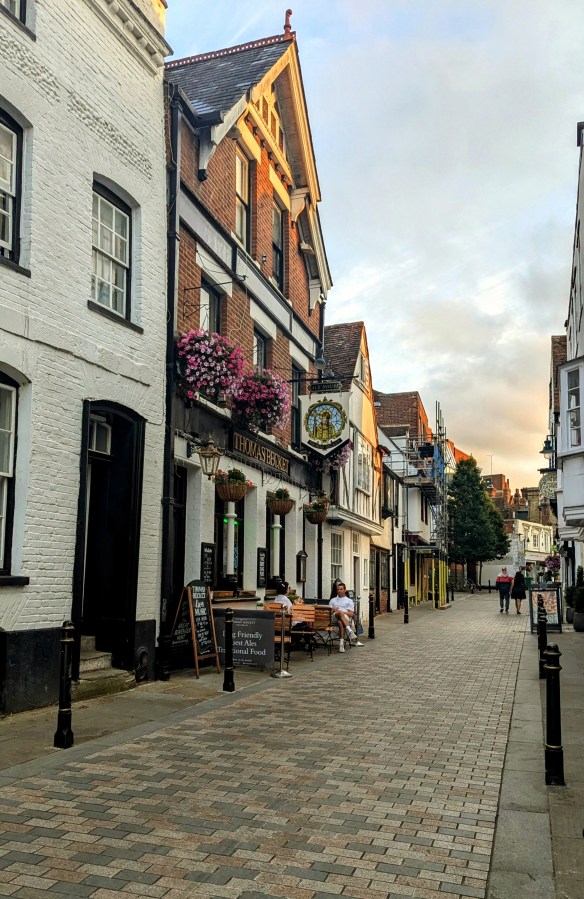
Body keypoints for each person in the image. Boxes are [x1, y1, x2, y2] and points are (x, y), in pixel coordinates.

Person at [329, 582, 363, 651]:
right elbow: (329, 612)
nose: (339, 591)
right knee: (339, 613)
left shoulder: (349, 601)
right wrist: (333, 610)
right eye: (338, 589)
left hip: (344, 618)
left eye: (341, 589)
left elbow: (351, 614)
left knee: (341, 622)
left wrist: (342, 612)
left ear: (345, 590)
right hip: (334, 618)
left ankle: (341, 645)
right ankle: (350, 631)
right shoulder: (333, 600)